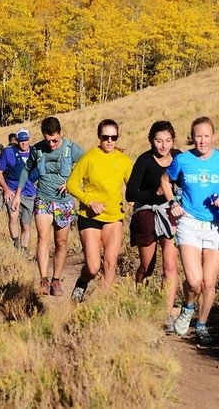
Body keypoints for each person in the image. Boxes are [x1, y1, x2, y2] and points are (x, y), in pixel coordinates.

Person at [161, 116, 219, 345]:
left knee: (208, 282)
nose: (202, 140)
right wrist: (172, 203)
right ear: (192, 137)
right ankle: (187, 307)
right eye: (198, 136)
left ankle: (202, 324)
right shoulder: (183, 160)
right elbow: (165, 180)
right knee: (194, 281)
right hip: (189, 223)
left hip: (216, 225)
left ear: (213, 137)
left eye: (206, 136)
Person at [14, 117, 85, 296]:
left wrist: (71, 182)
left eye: (55, 140)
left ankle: (56, 280)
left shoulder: (71, 149)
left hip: (65, 201)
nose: (52, 144)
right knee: (43, 237)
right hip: (43, 199)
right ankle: (44, 279)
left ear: (61, 133)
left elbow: (86, 165)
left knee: (61, 242)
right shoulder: (37, 149)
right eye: (48, 141)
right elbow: (26, 170)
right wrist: (17, 194)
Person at [66, 119, 133, 302]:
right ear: (99, 137)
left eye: (114, 137)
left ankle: (100, 306)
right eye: (105, 137)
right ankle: (82, 281)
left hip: (113, 217)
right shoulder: (88, 158)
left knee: (110, 264)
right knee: (94, 267)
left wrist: (135, 197)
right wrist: (89, 201)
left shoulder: (124, 161)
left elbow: (132, 185)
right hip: (89, 216)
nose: (110, 141)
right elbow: (71, 184)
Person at [126, 121, 181, 332]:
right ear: (151, 141)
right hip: (147, 212)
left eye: (167, 140)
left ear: (173, 140)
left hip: (172, 212)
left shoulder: (178, 157)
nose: (163, 145)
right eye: (159, 141)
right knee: (147, 266)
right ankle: (140, 300)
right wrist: (154, 193)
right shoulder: (144, 161)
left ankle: (166, 313)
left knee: (170, 265)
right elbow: (130, 194)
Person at [0, 128, 37, 251]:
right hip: (12, 190)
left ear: (29, 139)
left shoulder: (35, 152)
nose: (24, 143)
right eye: (21, 141)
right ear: (16, 141)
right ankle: (16, 244)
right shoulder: (8, 152)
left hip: (29, 192)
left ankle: (23, 250)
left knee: (26, 225)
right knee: (13, 217)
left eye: (26, 140)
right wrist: (6, 189)